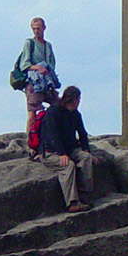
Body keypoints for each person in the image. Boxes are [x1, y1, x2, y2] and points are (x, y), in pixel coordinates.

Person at [39, 85, 98, 213]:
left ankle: (84, 194)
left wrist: (87, 150)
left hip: (70, 149)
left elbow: (82, 133)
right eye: (78, 99)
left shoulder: (75, 114)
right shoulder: (53, 112)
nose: (79, 102)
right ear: (73, 99)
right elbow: (52, 134)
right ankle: (72, 202)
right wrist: (61, 153)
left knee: (86, 158)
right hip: (50, 151)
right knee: (68, 166)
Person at [15, 17, 59, 142]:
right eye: (34, 29)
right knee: (32, 112)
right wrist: (37, 68)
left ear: (44, 28)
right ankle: (30, 142)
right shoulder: (29, 43)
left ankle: (52, 136)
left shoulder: (48, 46)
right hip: (33, 83)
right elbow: (25, 65)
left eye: (38, 28)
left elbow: (52, 64)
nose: (36, 31)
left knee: (58, 105)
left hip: (46, 83)